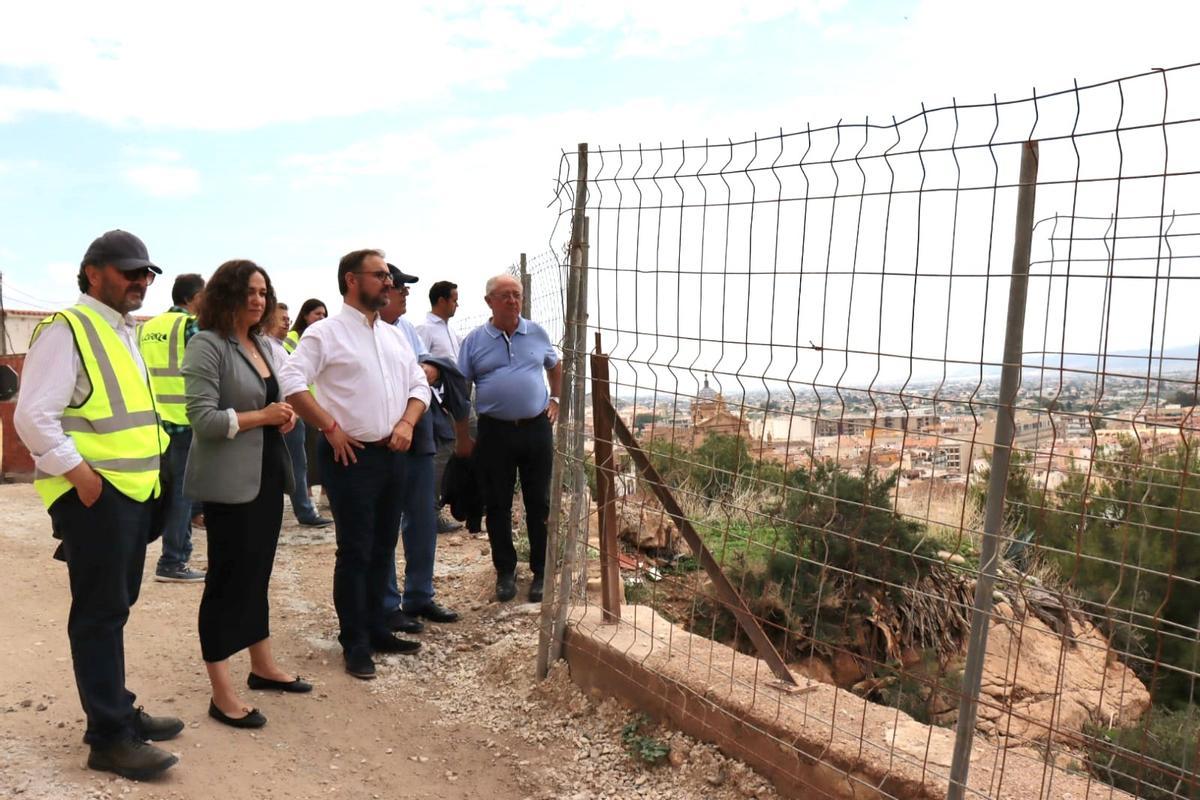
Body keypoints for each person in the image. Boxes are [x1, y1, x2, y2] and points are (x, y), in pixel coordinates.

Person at [13, 229, 182, 780]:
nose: (142, 281)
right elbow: (33, 417)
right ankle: (108, 736)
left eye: (147, 272)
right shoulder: (68, 329)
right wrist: (82, 477)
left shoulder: (125, 330)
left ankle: (119, 710)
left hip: (131, 493)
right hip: (98, 496)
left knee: (114, 609)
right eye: (130, 271)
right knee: (99, 614)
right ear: (93, 272)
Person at [278, 249, 431, 680]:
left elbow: (418, 383)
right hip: (351, 457)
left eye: (389, 277)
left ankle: (377, 627)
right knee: (355, 551)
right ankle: (355, 642)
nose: (389, 283)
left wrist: (407, 420)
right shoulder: (324, 334)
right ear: (352, 280)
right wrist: (328, 426)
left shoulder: (393, 335)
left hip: (393, 454)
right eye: (380, 275)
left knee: (384, 547)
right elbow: (291, 382)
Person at [182, 260, 312, 730]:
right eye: (249, 291)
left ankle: (262, 666)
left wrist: (285, 415)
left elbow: (271, 403)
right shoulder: (206, 345)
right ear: (226, 295)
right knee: (225, 582)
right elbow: (205, 420)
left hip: (266, 477)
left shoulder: (261, 344)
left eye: (263, 292)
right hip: (229, 484)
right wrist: (263, 416)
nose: (258, 300)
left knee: (257, 574)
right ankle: (221, 693)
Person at [455, 274, 561, 603]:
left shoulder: (537, 333)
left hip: (535, 429)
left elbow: (555, 366)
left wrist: (555, 400)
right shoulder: (474, 340)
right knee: (497, 503)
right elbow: (461, 389)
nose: (513, 301)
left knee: (539, 502)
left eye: (517, 295)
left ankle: (542, 571)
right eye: (505, 296)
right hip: (494, 431)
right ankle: (505, 570)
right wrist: (462, 436)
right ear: (489, 301)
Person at [379, 265, 460, 632]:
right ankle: (386, 603)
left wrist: (430, 369)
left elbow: (431, 365)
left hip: (420, 431)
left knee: (422, 517)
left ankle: (419, 596)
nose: (406, 294)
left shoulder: (406, 328)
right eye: (400, 288)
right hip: (384, 436)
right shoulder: (366, 331)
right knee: (384, 521)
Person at [139, 272, 208, 583]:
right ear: (193, 298)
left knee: (164, 491)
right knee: (183, 492)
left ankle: (173, 555)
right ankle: (173, 561)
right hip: (183, 420)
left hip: (152, 421)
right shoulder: (189, 325)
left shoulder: (147, 327)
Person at [268, 303, 332, 528]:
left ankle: (304, 510)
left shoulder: (279, 348)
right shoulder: (267, 347)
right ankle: (303, 511)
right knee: (291, 466)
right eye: (280, 318)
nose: (286, 321)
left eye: (287, 317)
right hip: (282, 417)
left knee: (299, 465)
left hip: (294, 415)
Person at [416, 280, 465, 534]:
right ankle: (430, 512)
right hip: (435, 405)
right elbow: (421, 366)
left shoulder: (449, 331)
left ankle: (439, 506)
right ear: (442, 300)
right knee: (439, 455)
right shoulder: (425, 329)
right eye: (454, 299)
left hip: (452, 402)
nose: (457, 304)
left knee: (451, 454)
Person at [287, 298, 328, 501]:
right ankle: (306, 491)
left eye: (324, 315)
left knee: (318, 449)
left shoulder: (325, 337)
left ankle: (323, 491)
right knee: (304, 452)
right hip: (300, 402)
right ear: (305, 315)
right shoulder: (293, 338)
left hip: (319, 401)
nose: (321, 318)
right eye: (317, 314)